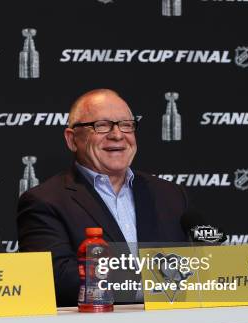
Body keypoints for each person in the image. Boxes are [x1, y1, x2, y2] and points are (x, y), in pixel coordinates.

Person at [17, 89, 189, 307]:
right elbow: (57, 279)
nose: (117, 135)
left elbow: (198, 267)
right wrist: (156, 281)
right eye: (102, 125)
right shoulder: (44, 202)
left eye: (126, 125)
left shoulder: (171, 195)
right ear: (72, 140)